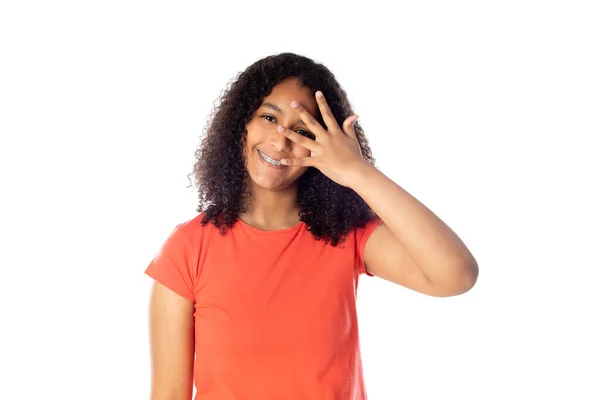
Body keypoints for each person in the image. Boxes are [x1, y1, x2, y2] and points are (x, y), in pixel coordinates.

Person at [144, 52, 479, 400]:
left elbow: (456, 275)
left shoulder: (347, 235)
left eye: (303, 130)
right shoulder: (188, 247)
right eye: (269, 117)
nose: (281, 139)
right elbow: (169, 393)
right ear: (242, 123)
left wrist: (357, 172)